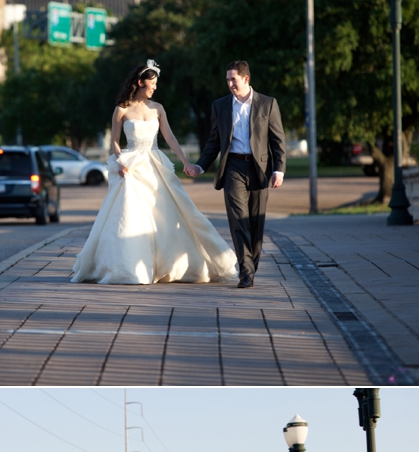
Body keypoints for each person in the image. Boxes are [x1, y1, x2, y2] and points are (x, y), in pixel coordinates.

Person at [71, 60, 238, 285]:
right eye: (152, 83)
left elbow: (170, 138)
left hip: (154, 164)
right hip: (131, 166)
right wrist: (120, 162)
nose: (155, 87)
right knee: (131, 214)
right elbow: (114, 141)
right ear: (140, 83)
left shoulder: (157, 108)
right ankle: (129, 266)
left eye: (156, 83)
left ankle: (166, 264)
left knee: (167, 212)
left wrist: (186, 162)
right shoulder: (121, 108)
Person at [188, 60, 286, 289]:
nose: (230, 83)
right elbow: (213, 142)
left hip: (259, 169)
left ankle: (251, 265)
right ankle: (246, 271)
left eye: (234, 79)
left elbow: (278, 140)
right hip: (232, 166)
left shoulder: (268, 104)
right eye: (228, 79)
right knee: (236, 220)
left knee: (255, 222)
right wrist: (200, 166)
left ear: (246, 79)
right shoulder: (220, 106)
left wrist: (278, 169)